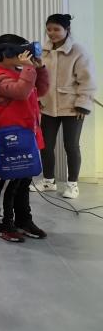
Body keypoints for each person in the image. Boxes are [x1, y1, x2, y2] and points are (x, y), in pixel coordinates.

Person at [0, 35, 50, 243]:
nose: (24, 56)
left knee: (24, 180)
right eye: (20, 52)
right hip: (10, 137)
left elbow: (40, 90)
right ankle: (4, 224)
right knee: (9, 181)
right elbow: (21, 92)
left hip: (26, 135)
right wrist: (28, 69)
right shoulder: (0, 76)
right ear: (6, 54)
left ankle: (24, 220)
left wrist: (40, 69)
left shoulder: (20, 71)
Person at [39, 13, 97, 199]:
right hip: (48, 106)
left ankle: (73, 185)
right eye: (49, 29)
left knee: (71, 146)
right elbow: (39, 77)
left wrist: (83, 104)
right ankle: (48, 181)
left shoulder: (78, 51)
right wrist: (38, 98)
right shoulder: (43, 51)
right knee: (45, 145)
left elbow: (87, 80)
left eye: (56, 29)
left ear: (67, 29)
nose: (52, 33)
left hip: (73, 107)